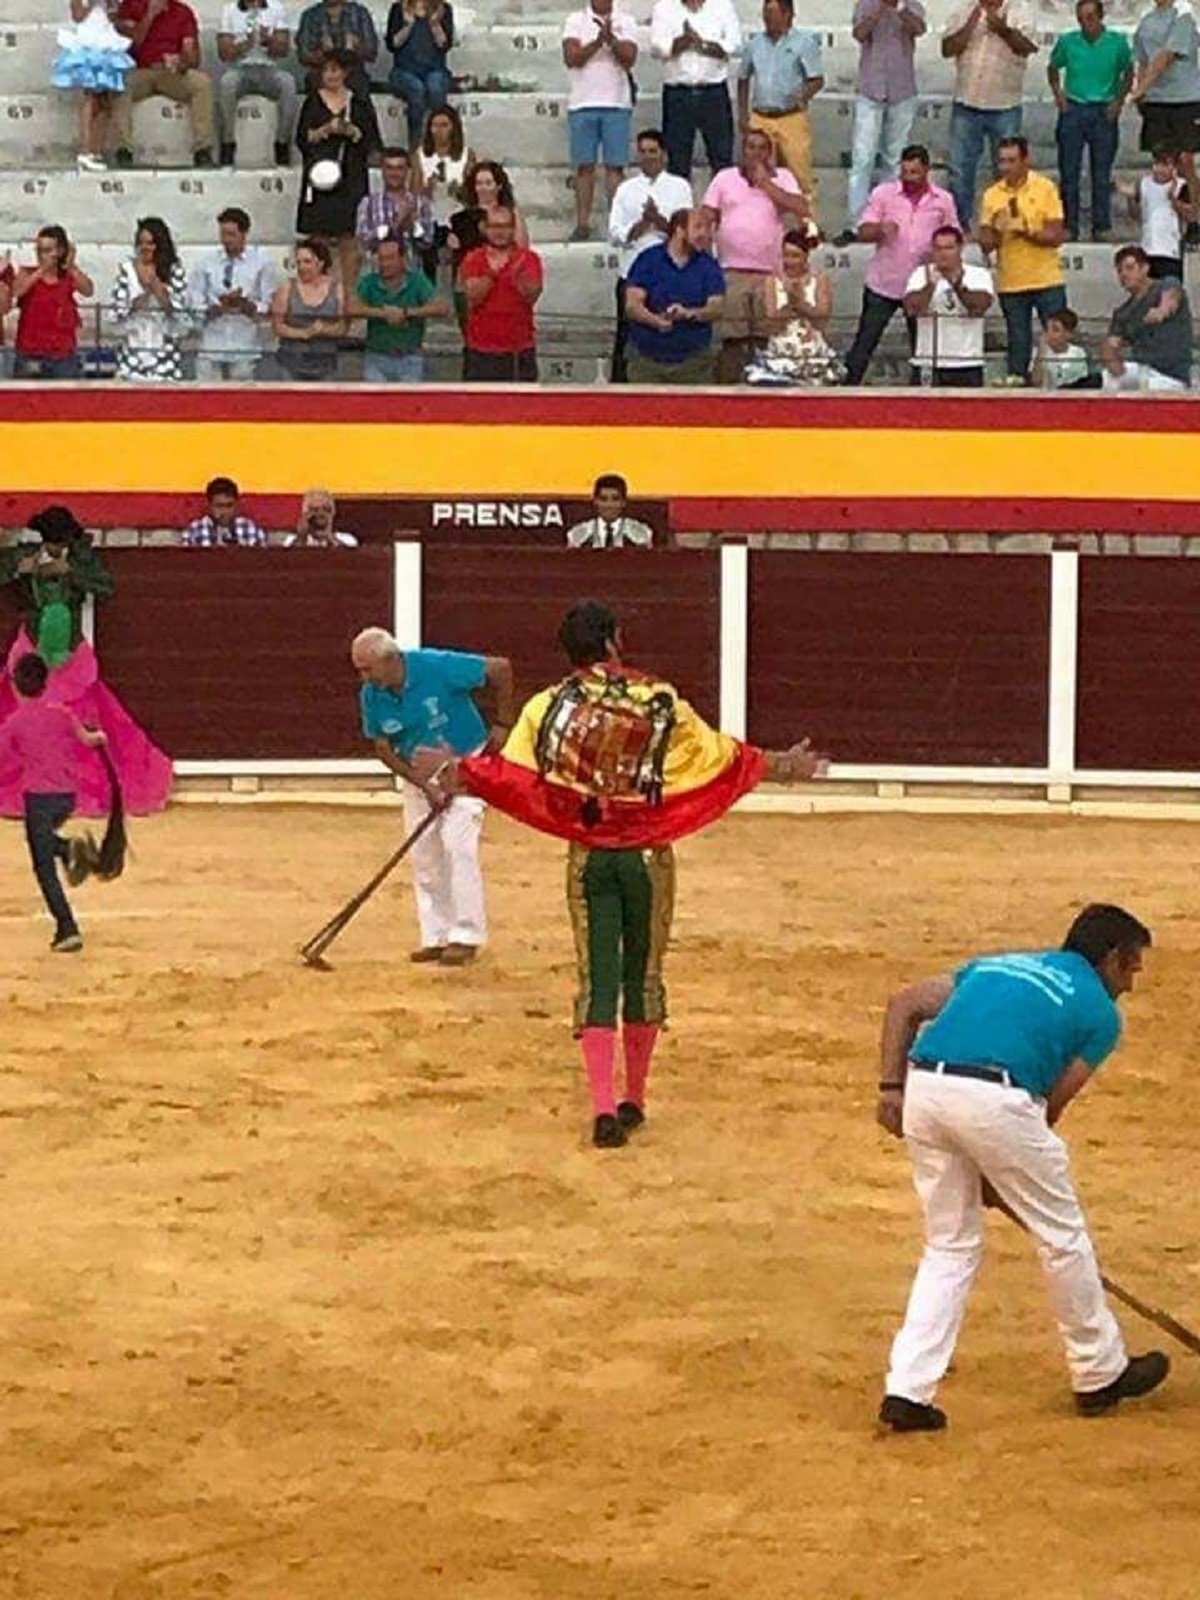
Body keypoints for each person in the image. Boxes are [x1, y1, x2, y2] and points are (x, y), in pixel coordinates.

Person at [407, 599, 828, 1148]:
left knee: (598, 978)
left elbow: (514, 778)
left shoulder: (549, 707)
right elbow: (718, 759)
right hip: (648, 857)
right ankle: (636, 1100)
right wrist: (779, 766)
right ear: (613, 641)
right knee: (643, 976)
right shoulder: (657, 699)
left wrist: (461, 770)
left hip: (591, 858)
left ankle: (604, 1109)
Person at [876, 903, 1168, 1431]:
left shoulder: (997, 964)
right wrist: (1002, 1170)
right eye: (1131, 965)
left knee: (949, 1244)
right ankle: (1098, 1372)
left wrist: (890, 1088)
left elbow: (904, 1004)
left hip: (926, 1090)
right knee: (1062, 1236)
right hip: (998, 1101)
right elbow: (1051, 1104)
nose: (1131, 981)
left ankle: (908, 1390)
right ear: (1108, 959)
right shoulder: (1101, 1014)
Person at [351, 625, 515, 966]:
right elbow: (382, 746)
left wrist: (503, 724)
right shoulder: (371, 694)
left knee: (458, 846)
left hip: (466, 764)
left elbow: (500, 668)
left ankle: (466, 935)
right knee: (426, 857)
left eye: (368, 669)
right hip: (420, 775)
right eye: (360, 670)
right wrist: (423, 784)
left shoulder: (436, 665)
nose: (364, 678)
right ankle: (437, 935)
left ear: (392, 660)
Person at [0, 505, 173, 820]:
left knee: (74, 715)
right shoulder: (23, 555)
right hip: (32, 645)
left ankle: (79, 792)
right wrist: (18, 569)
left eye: (60, 541)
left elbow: (105, 587)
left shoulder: (80, 557)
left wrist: (71, 572)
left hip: (70, 649)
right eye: (51, 541)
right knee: (22, 714)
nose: (56, 546)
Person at [0, 654, 108, 954]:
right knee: (46, 845)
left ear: (16, 685)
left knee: (43, 865)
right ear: (46, 682)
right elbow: (88, 739)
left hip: (39, 800)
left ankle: (67, 927)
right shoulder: (62, 713)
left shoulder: (16, 722)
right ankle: (70, 849)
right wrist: (100, 737)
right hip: (66, 799)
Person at [844, 144, 959, 385]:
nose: (909, 178)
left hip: (921, 285)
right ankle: (847, 388)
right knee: (864, 342)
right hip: (883, 283)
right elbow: (863, 231)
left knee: (922, 348)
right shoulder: (883, 194)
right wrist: (879, 230)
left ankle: (920, 396)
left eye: (914, 173)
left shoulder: (943, 200)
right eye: (905, 172)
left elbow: (954, 236)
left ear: (926, 170)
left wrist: (937, 255)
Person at [702, 125, 809, 382]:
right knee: (732, 340)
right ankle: (726, 395)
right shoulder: (725, 178)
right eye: (751, 147)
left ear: (770, 152)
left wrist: (766, 184)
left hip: (771, 273)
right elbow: (707, 215)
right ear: (743, 150)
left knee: (767, 339)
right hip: (732, 271)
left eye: (762, 148)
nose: (756, 153)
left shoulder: (783, 177)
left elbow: (800, 208)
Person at [941, 0, 1038, 231]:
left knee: (1008, 170)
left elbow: (1027, 47)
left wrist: (1003, 29)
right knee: (960, 169)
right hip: (967, 102)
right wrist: (970, 25)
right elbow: (946, 49)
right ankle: (959, 226)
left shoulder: (1019, 10)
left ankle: (1005, 226)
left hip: (1004, 105)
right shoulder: (965, 9)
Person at [607, 128, 694, 381]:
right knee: (626, 334)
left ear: (664, 155)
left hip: (668, 273)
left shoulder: (679, 187)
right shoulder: (626, 189)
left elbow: (685, 232)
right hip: (632, 273)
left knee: (668, 329)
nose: (647, 157)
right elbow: (615, 234)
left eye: (653, 151)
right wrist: (642, 225)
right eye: (643, 152)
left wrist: (658, 221)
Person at [978, 135, 1067, 381]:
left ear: (1026, 160)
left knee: (1058, 339)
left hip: (1047, 279)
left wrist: (1024, 229)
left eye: (1011, 160)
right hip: (1012, 281)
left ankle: (1063, 386)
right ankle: (1017, 391)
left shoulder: (1045, 188)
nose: (1005, 167)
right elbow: (985, 245)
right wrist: (996, 227)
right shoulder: (991, 195)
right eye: (1002, 161)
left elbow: (1056, 235)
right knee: (1018, 342)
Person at [839, 0, 926, 244]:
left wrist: (898, 8)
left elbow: (919, 29)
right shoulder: (865, 4)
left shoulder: (912, 4)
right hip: (870, 89)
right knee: (862, 159)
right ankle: (857, 224)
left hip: (902, 89)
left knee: (894, 159)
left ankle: (890, 218)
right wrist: (879, 8)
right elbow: (859, 33)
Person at [295, 48, 382, 288]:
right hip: (319, 174)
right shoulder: (312, 102)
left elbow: (372, 142)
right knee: (318, 237)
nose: (330, 75)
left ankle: (350, 294)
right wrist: (324, 130)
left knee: (349, 236)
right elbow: (302, 139)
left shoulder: (360, 102)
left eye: (335, 70)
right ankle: (317, 291)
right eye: (326, 70)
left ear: (345, 73)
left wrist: (352, 132)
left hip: (351, 174)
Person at [1049, 0, 1133, 242]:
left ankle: (1101, 225)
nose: (1085, 23)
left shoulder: (1117, 42)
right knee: (1069, 171)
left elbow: (1128, 72)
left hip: (1103, 112)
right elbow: (1053, 68)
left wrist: (1118, 101)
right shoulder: (1068, 41)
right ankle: (1070, 225)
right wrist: (1059, 96)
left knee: (1101, 172)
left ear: (1101, 16)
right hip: (1074, 109)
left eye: (1090, 17)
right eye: (1081, 18)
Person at [562, 0, 640, 242]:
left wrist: (612, 40)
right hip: (582, 102)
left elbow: (629, 58)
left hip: (616, 102)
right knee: (584, 166)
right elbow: (572, 57)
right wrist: (598, 41)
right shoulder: (575, 20)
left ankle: (617, 223)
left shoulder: (626, 21)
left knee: (615, 167)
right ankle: (582, 224)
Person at [625, 205, 725, 383]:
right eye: (698, 227)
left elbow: (716, 307)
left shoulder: (708, 266)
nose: (705, 235)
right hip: (646, 362)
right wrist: (656, 321)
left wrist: (689, 313)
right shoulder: (648, 260)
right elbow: (633, 305)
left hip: (694, 364)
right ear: (679, 230)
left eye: (707, 229)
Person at [112, 0, 214, 168]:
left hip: (170, 73)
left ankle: (202, 149)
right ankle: (124, 149)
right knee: (118, 84)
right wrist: (149, 16)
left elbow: (194, 57)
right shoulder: (131, 7)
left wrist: (182, 61)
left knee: (202, 84)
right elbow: (129, 45)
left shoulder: (182, 12)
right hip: (141, 70)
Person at [737, 0, 824, 195]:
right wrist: (743, 114)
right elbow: (743, 79)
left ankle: (807, 223)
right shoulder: (754, 44)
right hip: (761, 117)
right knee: (757, 171)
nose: (767, 18)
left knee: (799, 175)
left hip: (791, 117)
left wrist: (804, 95)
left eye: (772, 13)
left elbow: (817, 79)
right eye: (765, 13)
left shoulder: (804, 43)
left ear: (787, 15)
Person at [650, 0, 742, 181]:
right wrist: (682, 42)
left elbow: (734, 44)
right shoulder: (664, 7)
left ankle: (722, 207)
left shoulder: (723, 6)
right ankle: (680, 208)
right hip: (678, 94)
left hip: (714, 93)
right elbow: (657, 47)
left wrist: (701, 44)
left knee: (722, 158)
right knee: (677, 161)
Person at [746, 222, 842, 384]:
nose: (789, 262)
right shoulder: (772, 281)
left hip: (813, 352)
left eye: (795, 256)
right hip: (780, 351)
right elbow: (772, 320)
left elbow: (822, 318)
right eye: (786, 255)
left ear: (806, 256)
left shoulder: (820, 280)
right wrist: (792, 303)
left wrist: (799, 302)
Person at [1132, 0, 1200, 224]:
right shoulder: (1146, 20)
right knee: (1163, 162)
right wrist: (1141, 94)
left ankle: (1194, 217)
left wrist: (1142, 88)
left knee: (1185, 160)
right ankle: (1166, 217)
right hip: (1156, 101)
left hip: (1185, 98)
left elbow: (1167, 56)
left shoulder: (1183, 13)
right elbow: (1143, 60)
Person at [191, 207, 277, 382]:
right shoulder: (206, 263)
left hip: (244, 345)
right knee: (205, 399)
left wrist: (245, 305)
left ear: (244, 233)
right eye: (223, 234)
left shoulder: (262, 263)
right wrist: (215, 308)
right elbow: (194, 300)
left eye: (231, 234)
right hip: (211, 344)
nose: (226, 240)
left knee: (241, 402)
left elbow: (268, 304)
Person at [460, 206, 544, 382]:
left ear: (513, 229)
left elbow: (532, 295)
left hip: (518, 350)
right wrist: (493, 272)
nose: (500, 232)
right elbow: (473, 296)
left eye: (505, 227)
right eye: (495, 227)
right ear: (485, 228)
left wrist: (515, 270)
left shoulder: (529, 258)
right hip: (481, 350)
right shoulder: (473, 258)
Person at [902, 224, 993, 386]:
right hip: (928, 362)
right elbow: (911, 307)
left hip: (967, 363)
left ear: (960, 248)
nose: (943, 254)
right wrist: (930, 286)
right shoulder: (921, 274)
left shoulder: (978, 274)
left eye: (949, 248)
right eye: (938, 248)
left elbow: (980, 306)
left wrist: (958, 285)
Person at [351, 232, 449, 382]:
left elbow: (442, 308)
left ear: (404, 259)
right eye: (381, 259)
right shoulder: (369, 282)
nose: (385, 264)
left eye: (390, 258)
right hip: (376, 356)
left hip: (410, 357)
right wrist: (383, 313)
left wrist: (405, 313)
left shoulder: (417, 281)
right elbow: (351, 308)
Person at [53, 0, 134, 171]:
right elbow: (77, 16)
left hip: (106, 43)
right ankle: (84, 150)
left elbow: (113, 17)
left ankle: (95, 148)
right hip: (88, 44)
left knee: (104, 101)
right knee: (88, 99)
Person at [1101, 242, 1193, 389]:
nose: (1124, 274)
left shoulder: (1166, 285)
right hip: (1142, 369)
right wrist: (1113, 360)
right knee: (1108, 378)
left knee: (1147, 386)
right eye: (1119, 271)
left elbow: (1172, 298)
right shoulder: (1121, 313)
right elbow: (1111, 344)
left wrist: (1161, 311)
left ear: (1145, 268)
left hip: (1170, 375)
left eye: (1130, 268)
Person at [112, 214, 191, 383]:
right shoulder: (127, 270)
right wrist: (141, 297)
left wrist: (157, 286)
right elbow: (117, 312)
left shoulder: (174, 270)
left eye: (150, 243)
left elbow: (180, 314)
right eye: (141, 243)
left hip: (164, 351)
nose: (145, 248)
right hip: (133, 349)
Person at [216, 0, 296, 168]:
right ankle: (228, 143)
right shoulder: (229, 10)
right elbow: (224, 54)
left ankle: (281, 143)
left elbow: (284, 50)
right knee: (226, 83)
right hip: (240, 68)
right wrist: (248, 42)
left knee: (288, 83)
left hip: (269, 68)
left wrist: (267, 40)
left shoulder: (276, 8)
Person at [448, 161, 529, 322]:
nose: (483, 188)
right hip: (469, 283)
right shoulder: (461, 217)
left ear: (498, 186)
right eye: (479, 183)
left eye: (488, 183)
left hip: (503, 283)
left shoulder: (511, 213)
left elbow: (522, 248)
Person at [11, 227, 94, 380]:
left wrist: (71, 265)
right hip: (31, 353)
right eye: (40, 250)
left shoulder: (68, 277)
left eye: (48, 250)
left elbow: (88, 290)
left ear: (60, 252)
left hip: (62, 354)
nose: (42, 255)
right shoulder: (27, 273)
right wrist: (41, 271)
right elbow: (17, 291)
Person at [271, 235, 347, 381]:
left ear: (321, 263)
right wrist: (304, 333)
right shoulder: (287, 287)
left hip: (325, 362)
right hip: (291, 361)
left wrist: (323, 330)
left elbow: (343, 327)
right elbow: (277, 326)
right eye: (298, 262)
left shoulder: (337, 289)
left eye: (307, 262)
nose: (301, 267)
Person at [1117, 142, 1196, 278]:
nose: (1160, 169)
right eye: (1157, 164)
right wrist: (1130, 199)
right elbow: (1136, 216)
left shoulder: (1181, 186)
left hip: (1171, 252)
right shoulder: (1144, 183)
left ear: (1174, 167)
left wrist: (1173, 200)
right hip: (1147, 250)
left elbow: (1191, 216)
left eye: (1165, 165)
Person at [386, 0, 454, 150]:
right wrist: (408, 25)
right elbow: (393, 45)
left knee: (435, 87)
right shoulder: (398, 8)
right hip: (404, 70)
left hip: (434, 69)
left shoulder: (444, 9)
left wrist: (435, 25)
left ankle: (439, 144)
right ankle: (416, 147)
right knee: (416, 89)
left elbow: (444, 45)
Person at [416, 105, 474, 256]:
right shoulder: (420, 155)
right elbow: (413, 194)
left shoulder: (466, 155)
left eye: (444, 125)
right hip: (430, 216)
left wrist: (459, 190)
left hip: (457, 215)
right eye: (435, 125)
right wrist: (427, 189)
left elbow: (472, 195)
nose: (439, 131)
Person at [356, 146, 430, 256]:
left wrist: (412, 227)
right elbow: (363, 242)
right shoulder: (368, 203)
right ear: (382, 170)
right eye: (389, 168)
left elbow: (428, 242)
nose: (394, 173)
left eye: (399, 168)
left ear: (408, 171)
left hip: (411, 268)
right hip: (377, 268)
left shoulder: (420, 203)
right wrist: (394, 226)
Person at [297, 0, 378, 96]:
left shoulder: (360, 13)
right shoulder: (310, 16)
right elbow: (303, 55)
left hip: (352, 71)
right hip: (320, 71)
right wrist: (321, 52)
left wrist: (357, 46)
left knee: (358, 83)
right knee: (315, 82)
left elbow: (372, 52)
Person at [566, 475, 655, 547]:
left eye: (615, 499)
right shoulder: (577, 535)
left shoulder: (641, 534)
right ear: (595, 501)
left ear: (624, 502)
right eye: (603, 499)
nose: (609, 505)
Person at [181, 476, 268, 546]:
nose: (224, 511)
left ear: (236, 504)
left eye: (229, 505)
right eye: (219, 506)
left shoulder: (251, 529)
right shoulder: (194, 531)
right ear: (209, 506)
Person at [1033, 305, 1092, 387]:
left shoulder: (1078, 354)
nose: (1049, 334)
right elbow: (1036, 382)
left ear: (1068, 334)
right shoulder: (1039, 353)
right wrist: (1041, 353)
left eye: (1055, 330)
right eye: (1047, 329)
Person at [285, 487, 359, 546]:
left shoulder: (348, 540)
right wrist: (302, 537)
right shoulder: (292, 540)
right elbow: (287, 559)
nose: (320, 513)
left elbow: (349, 560)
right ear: (305, 513)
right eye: (314, 509)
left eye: (326, 509)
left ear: (333, 512)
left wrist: (329, 538)